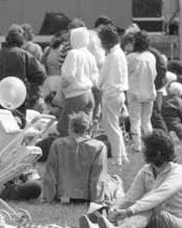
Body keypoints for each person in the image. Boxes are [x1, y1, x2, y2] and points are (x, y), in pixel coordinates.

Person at [79, 131, 182, 228]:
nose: (144, 151)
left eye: (147, 149)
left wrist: (129, 211)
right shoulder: (146, 171)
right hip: (154, 225)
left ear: (159, 153)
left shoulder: (178, 172)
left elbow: (156, 198)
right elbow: (130, 198)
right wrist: (114, 209)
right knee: (116, 207)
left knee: (149, 207)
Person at [43, 112, 118, 206]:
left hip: (63, 196)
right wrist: (97, 202)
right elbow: (98, 177)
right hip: (87, 197)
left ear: (70, 127)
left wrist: (48, 199)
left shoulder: (57, 144)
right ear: (89, 128)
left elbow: (50, 175)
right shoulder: (98, 146)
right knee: (115, 180)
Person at [0, 24, 45, 118]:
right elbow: (40, 74)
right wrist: (28, 84)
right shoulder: (24, 56)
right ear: (21, 39)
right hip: (19, 97)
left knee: (1, 124)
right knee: (18, 126)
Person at [56, 26, 99, 136]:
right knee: (84, 129)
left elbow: (68, 77)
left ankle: (68, 152)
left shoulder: (73, 53)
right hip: (89, 95)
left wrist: (62, 88)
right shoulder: (90, 55)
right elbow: (95, 78)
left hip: (76, 95)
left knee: (64, 127)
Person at [98, 25, 129, 167]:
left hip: (111, 93)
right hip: (120, 93)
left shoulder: (111, 56)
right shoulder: (120, 53)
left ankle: (118, 158)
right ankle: (122, 155)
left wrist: (96, 84)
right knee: (115, 126)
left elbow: (102, 76)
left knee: (111, 127)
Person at [126, 31, 157, 152]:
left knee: (135, 120)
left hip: (134, 92)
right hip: (149, 91)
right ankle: (151, 145)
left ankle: (137, 145)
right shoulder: (151, 56)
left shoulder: (131, 58)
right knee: (146, 121)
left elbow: (125, 74)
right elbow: (154, 74)